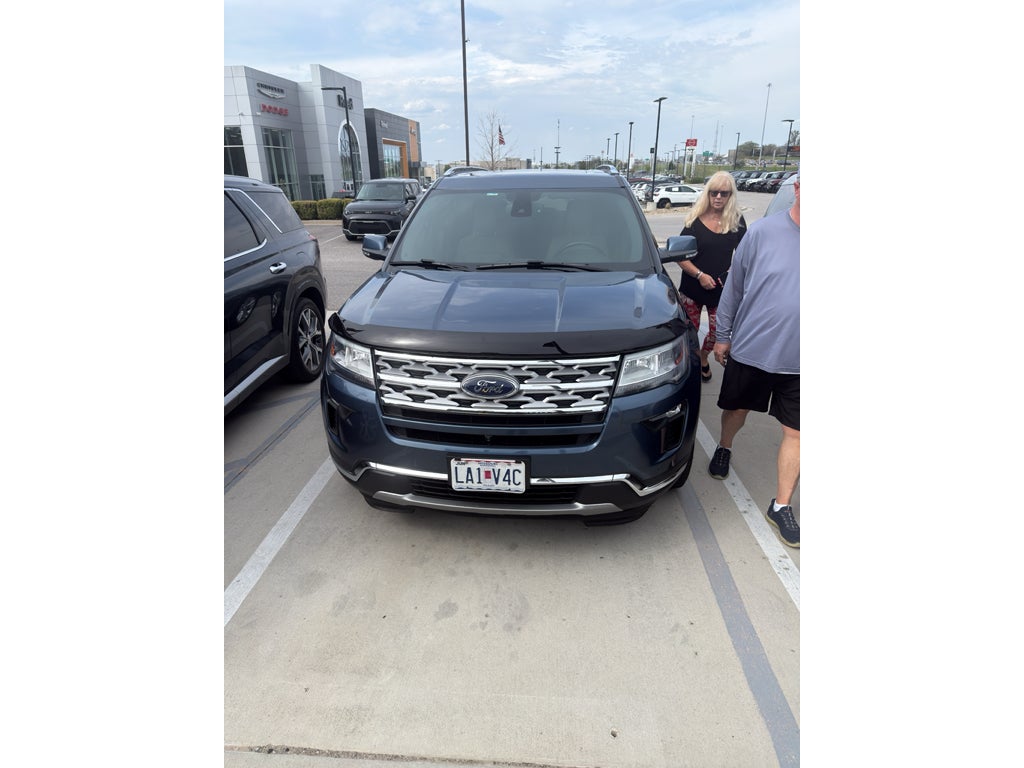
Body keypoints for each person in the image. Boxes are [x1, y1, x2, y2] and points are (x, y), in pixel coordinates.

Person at [708, 174, 800, 548]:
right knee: (737, 410)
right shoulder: (762, 232)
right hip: (754, 349)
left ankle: (781, 505)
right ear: (798, 189)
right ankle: (725, 446)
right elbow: (734, 287)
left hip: (802, 361)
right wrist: (723, 335)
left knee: (798, 433)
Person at [676, 171, 747, 383]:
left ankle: (702, 357)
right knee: (689, 331)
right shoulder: (694, 220)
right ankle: (691, 362)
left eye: (724, 193)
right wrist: (699, 275)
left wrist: (732, 272)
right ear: (707, 193)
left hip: (721, 290)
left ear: (730, 195)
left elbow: (745, 255)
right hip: (692, 288)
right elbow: (679, 255)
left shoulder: (736, 221)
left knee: (718, 332)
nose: (718, 197)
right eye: (714, 192)